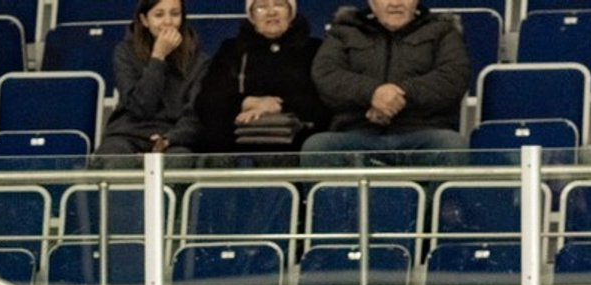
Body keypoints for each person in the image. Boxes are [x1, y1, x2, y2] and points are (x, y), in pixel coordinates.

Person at [301, 0, 469, 163]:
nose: (395, 3)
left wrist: (398, 96)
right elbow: (327, 74)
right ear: (372, 3)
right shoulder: (344, 31)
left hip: (424, 134)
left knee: (452, 145)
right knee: (317, 147)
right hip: (356, 133)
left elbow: (453, 76)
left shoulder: (443, 31)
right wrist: (372, 93)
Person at [196, 0, 330, 155]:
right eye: (261, 7)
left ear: (291, 12)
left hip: (297, 137)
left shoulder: (313, 49)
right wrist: (247, 102)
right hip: (241, 137)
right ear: (251, 16)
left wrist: (278, 107)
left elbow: (323, 102)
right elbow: (206, 100)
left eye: (279, 4)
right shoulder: (232, 50)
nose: (271, 12)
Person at [96, 0, 209, 160]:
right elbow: (140, 107)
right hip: (128, 134)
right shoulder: (125, 53)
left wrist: (170, 139)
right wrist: (158, 57)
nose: (168, 21)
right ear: (144, 20)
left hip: (174, 138)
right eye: (159, 15)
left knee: (179, 161)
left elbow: (195, 115)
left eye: (175, 14)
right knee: (113, 158)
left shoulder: (200, 61)